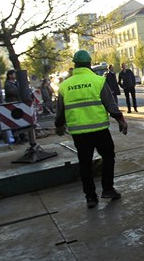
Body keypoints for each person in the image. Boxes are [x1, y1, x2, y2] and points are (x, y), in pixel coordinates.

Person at [55, 50, 128, 209]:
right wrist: (121, 120)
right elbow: (111, 105)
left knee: (85, 164)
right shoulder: (98, 81)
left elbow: (60, 110)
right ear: (89, 64)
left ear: (75, 65)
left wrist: (59, 126)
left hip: (79, 133)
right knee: (108, 156)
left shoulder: (64, 86)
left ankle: (90, 197)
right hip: (99, 130)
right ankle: (108, 189)